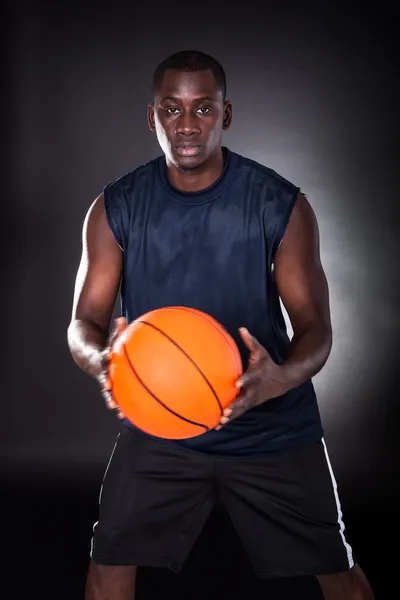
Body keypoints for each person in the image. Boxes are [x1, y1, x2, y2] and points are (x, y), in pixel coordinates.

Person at [67, 50, 375, 599]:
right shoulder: (115, 207)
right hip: (163, 422)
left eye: (203, 108)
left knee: (340, 576)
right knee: (107, 563)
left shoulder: (280, 204)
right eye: (172, 108)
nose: (187, 124)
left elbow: (316, 329)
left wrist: (277, 380)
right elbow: (83, 323)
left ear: (225, 115)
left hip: (269, 425)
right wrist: (105, 364)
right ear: (152, 116)